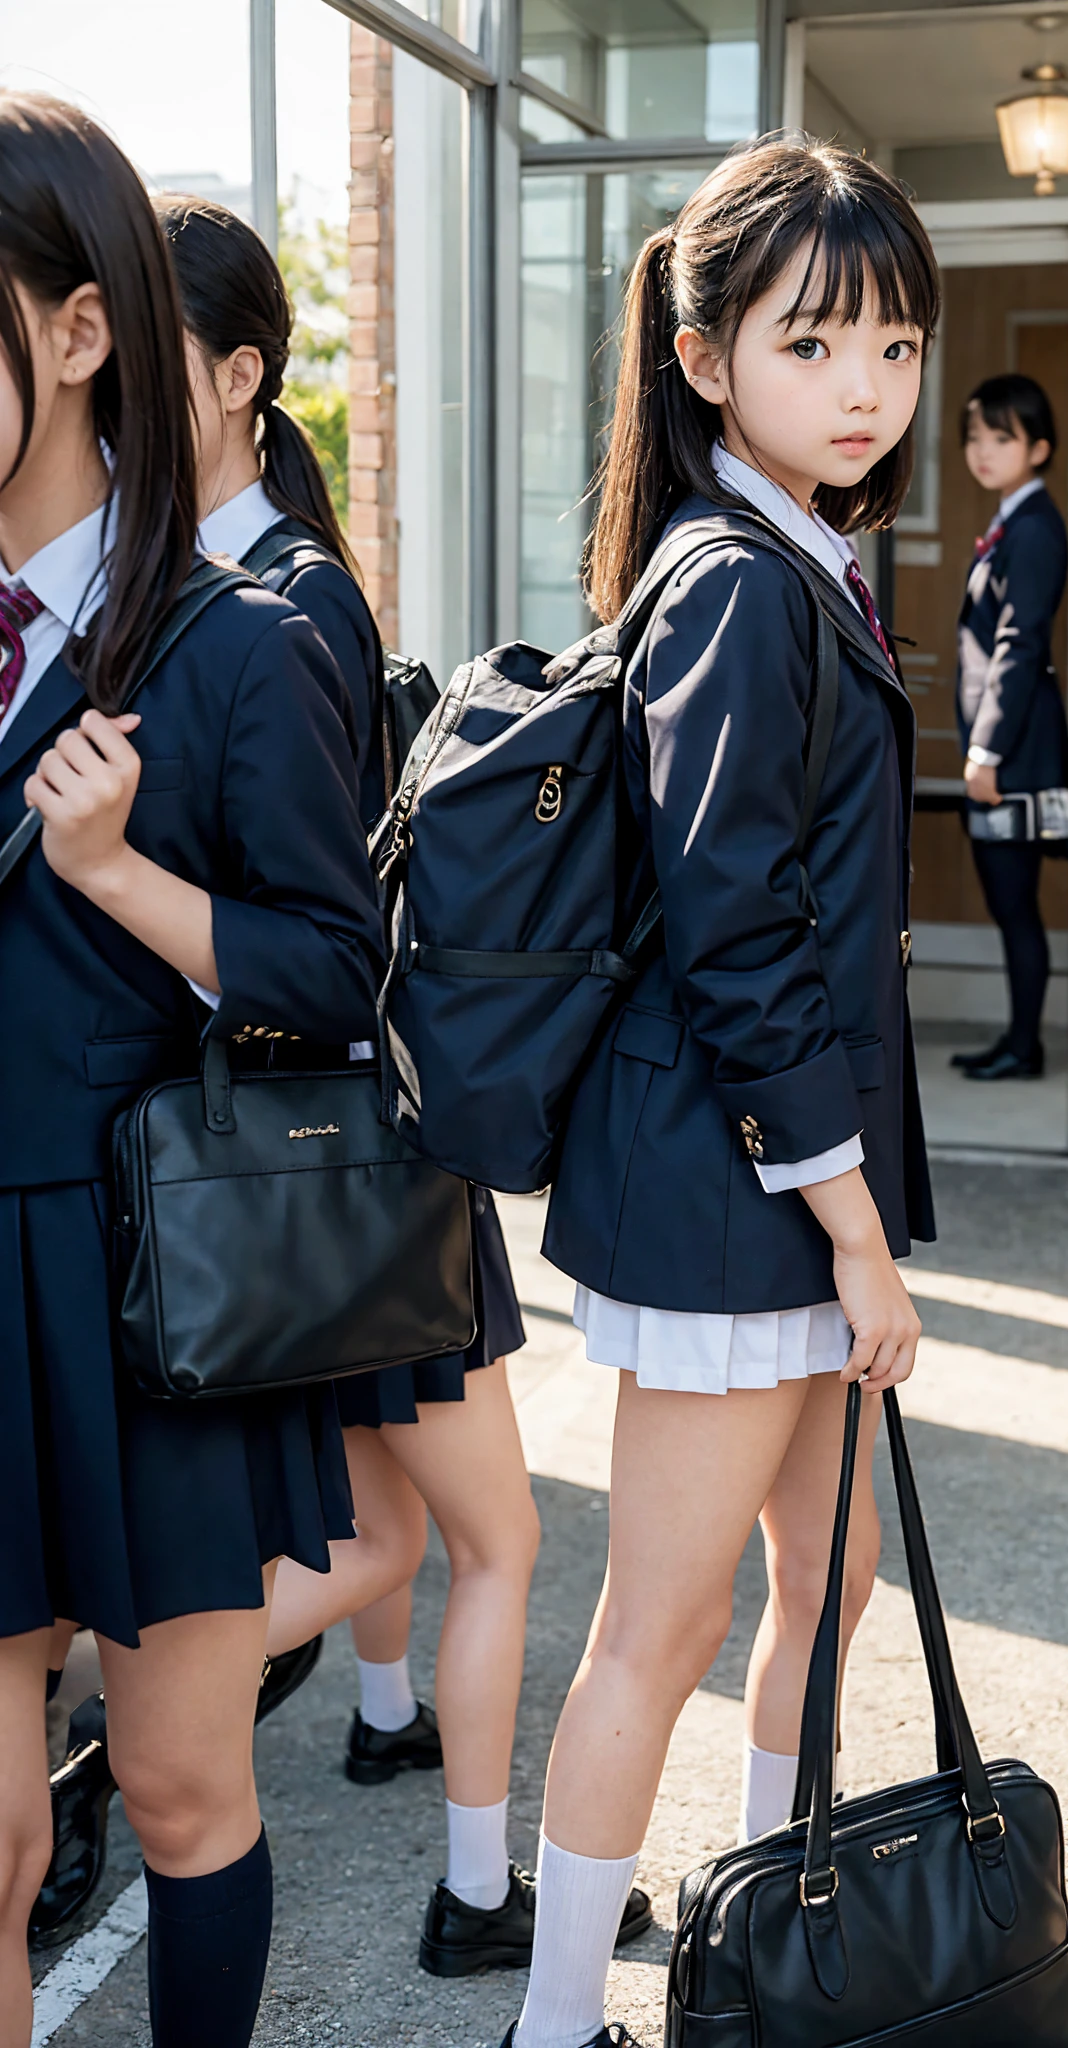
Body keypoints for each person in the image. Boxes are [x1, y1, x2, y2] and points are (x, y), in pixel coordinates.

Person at [506, 136, 937, 2048]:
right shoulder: (739, 579)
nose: (864, 384)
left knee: (827, 1576)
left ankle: (763, 1940)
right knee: (652, 1631)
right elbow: (736, 925)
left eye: (896, 344)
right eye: (813, 340)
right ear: (702, 359)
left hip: (765, 1175)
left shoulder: (803, 558)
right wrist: (855, 1231)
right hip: (731, 1192)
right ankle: (546, 2017)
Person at [148, 193, 604, 1979]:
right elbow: (327, 924)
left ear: (241, 375)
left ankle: (169, 1693)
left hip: (286, 1160)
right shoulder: (280, 595)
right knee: (493, 1532)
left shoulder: (228, 594)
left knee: (389, 1521)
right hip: (351, 1154)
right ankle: (475, 1889)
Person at [0, 92, 383, 2048]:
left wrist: (117, 873)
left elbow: (330, 972)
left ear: (76, 334)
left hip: (157, 1279)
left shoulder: (235, 638)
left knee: (175, 1785)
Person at [949, 372, 1068, 1082]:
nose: (984, 451)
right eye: (975, 437)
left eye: (1002, 437)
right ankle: (1017, 1039)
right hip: (1007, 748)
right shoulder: (1012, 522)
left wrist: (986, 747)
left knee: (1015, 905)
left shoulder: (1032, 529)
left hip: (1013, 753)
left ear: (1039, 447)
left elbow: (1019, 643)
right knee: (1010, 905)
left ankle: (1025, 1046)